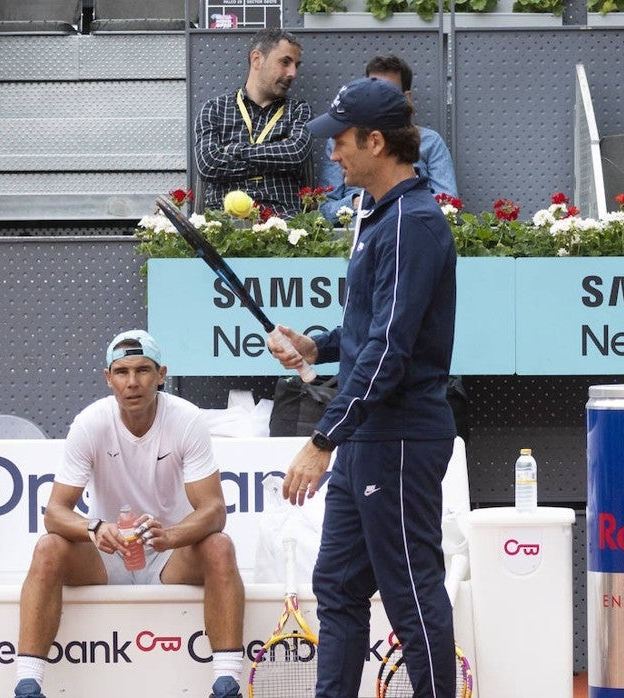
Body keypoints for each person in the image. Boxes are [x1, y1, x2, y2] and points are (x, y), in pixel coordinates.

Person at [267, 77, 458, 698]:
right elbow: (366, 328)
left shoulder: (411, 223)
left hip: (397, 438)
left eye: (342, 140)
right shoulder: (382, 219)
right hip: (371, 438)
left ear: (376, 142)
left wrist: (323, 440)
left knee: (410, 592)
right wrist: (316, 347)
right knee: (340, 587)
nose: (333, 153)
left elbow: (390, 350)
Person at [12, 330, 246, 698]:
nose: (132, 383)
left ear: (162, 374)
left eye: (143, 370)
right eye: (121, 372)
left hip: (169, 556)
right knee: (48, 548)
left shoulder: (186, 419)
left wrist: (171, 535)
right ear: (108, 378)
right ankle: (27, 687)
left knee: (219, 546)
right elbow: (55, 513)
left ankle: (227, 685)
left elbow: (214, 511)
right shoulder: (90, 422)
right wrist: (95, 528)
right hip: (108, 557)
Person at [317, 55, 458, 225]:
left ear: (406, 98)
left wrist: (393, 204)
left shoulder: (430, 141)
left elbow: (449, 206)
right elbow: (324, 210)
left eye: (387, 93)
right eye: (370, 92)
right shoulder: (338, 142)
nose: (335, 156)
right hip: (351, 234)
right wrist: (358, 202)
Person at [194, 28, 312, 217]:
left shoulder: (298, 110)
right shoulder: (215, 109)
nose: (293, 73)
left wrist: (232, 150)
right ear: (257, 59)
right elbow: (208, 166)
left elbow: (295, 153)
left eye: (296, 65)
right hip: (225, 222)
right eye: (285, 62)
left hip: (283, 221)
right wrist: (274, 153)